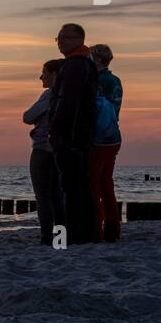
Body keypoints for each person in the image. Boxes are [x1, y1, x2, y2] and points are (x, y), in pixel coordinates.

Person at [47, 23, 99, 245]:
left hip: (71, 136)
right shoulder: (84, 64)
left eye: (64, 38)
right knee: (80, 185)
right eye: (57, 38)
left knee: (70, 186)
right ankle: (88, 234)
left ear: (78, 39)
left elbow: (69, 102)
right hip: (80, 134)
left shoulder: (75, 66)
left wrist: (56, 129)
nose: (59, 41)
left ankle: (74, 235)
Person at [24, 59, 65, 244]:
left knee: (43, 197)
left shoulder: (50, 94)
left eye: (44, 73)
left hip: (43, 149)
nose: (41, 77)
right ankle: (61, 238)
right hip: (62, 149)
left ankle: (47, 238)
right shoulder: (70, 94)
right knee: (58, 196)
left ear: (55, 75)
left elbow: (28, 116)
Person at [89, 44, 123, 241]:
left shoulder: (97, 80)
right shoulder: (115, 80)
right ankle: (113, 227)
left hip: (98, 138)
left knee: (93, 184)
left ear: (98, 59)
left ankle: (98, 228)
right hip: (114, 136)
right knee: (106, 184)